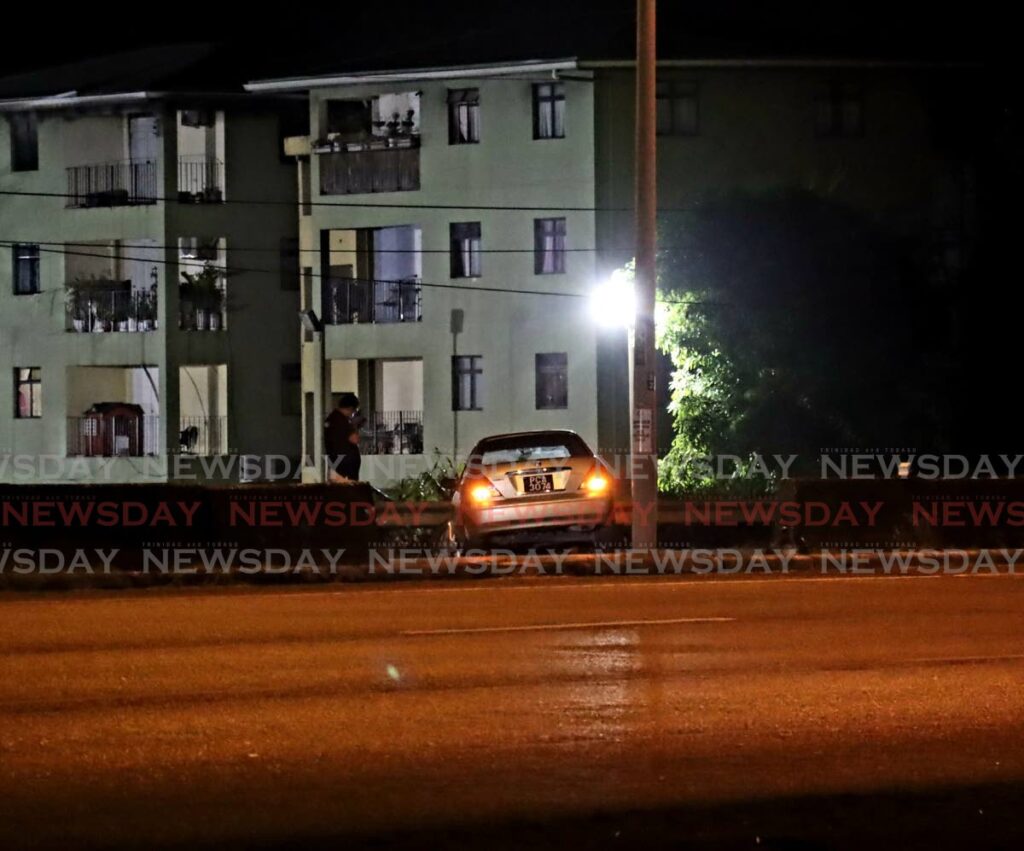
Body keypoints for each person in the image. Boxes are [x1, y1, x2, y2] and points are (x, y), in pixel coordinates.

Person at [324, 393, 360, 482]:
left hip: (336, 461)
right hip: (346, 465)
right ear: (351, 408)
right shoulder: (342, 421)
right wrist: (355, 426)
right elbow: (354, 439)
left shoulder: (332, 418)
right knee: (348, 490)